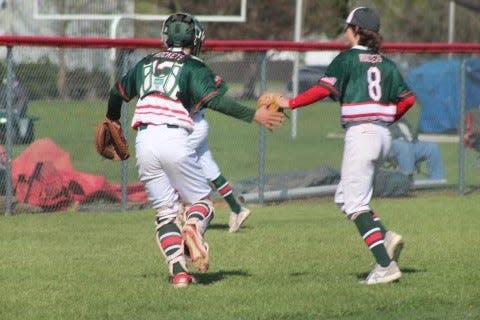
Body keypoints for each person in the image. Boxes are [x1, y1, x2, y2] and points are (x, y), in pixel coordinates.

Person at [104, 12, 284, 288]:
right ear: (195, 39)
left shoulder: (146, 62)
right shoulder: (194, 66)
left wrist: (112, 119)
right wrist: (253, 115)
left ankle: (179, 274)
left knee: (165, 213)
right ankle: (193, 228)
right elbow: (218, 101)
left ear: (166, 37)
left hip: (144, 140)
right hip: (175, 137)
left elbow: (116, 93)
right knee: (203, 204)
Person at [275, 7, 415, 284]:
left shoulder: (347, 59)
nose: (345, 30)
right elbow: (407, 100)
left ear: (358, 30)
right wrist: (386, 117)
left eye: (348, 26)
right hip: (382, 135)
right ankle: (385, 237)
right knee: (344, 197)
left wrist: (289, 102)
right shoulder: (386, 63)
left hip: (361, 135)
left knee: (355, 204)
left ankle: (385, 266)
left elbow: (323, 90)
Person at [189, 110, 251, 233]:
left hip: (193, 125)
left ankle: (180, 211)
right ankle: (237, 209)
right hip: (194, 124)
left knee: (174, 159)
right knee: (212, 172)